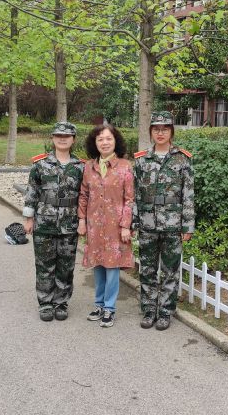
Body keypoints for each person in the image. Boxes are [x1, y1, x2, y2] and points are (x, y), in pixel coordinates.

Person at [132, 111, 194, 331]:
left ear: (171, 132)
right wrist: (134, 221)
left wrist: (188, 225)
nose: (160, 133)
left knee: (170, 271)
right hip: (147, 223)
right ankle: (149, 310)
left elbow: (188, 194)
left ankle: (166, 312)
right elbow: (135, 193)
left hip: (172, 224)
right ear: (151, 132)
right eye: (156, 129)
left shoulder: (182, 159)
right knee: (147, 269)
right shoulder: (141, 160)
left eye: (165, 129)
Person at [23, 122, 84, 322]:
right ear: (53, 138)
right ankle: (45, 304)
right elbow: (32, 192)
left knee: (66, 266)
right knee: (44, 265)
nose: (62, 139)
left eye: (67, 136)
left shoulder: (80, 166)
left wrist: (83, 221)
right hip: (44, 223)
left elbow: (85, 196)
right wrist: (28, 219)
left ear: (73, 139)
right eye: (58, 136)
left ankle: (61, 303)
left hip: (69, 224)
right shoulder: (40, 164)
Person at [77, 124, 134, 328]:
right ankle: (99, 304)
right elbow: (83, 195)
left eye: (109, 138)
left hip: (115, 227)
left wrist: (126, 225)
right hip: (94, 226)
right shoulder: (89, 167)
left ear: (115, 141)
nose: (105, 142)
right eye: (100, 139)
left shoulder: (125, 166)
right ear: (95, 143)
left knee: (112, 267)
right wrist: (82, 220)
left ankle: (110, 308)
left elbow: (129, 199)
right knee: (98, 265)